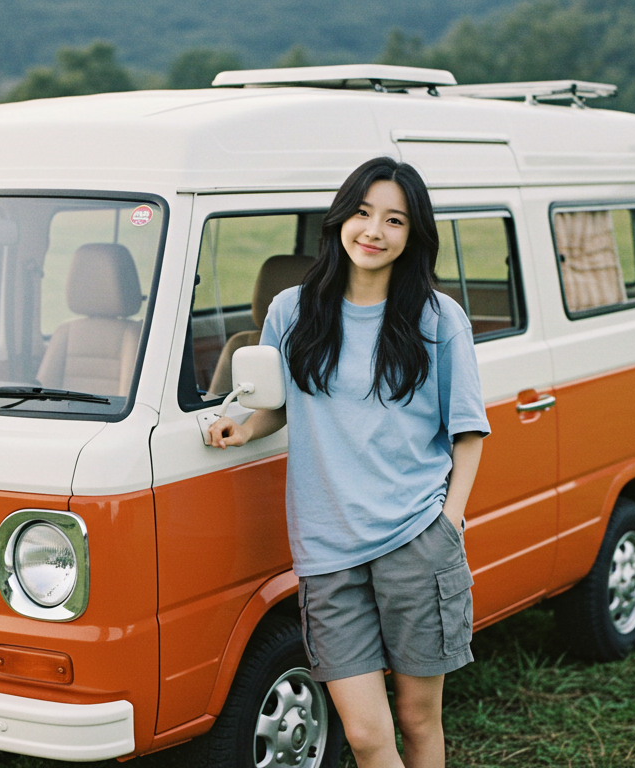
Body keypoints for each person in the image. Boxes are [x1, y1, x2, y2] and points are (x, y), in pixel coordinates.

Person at [206, 156, 488, 768]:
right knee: (363, 733)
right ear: (340, 219)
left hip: (416, 539)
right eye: (362, 213)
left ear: (413, 234)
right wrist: (244, 426)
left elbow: (468, 432)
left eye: (394, 220)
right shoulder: (292, 310)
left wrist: (449, 523)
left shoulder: (438, 318)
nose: (373, 231)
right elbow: (280, 404)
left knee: (417, 719)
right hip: (327, 549)